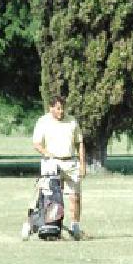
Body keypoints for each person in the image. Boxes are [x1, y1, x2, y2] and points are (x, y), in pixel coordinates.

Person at [31, 95, 87, 240]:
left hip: (70, 162)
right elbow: (37, 144)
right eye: (58, 109)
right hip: (51, 163)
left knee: (75, 196)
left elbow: (79, 143)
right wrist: (47, 154)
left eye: (63, 108)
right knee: (51, 197)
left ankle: (75, 226)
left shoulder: (72, 121)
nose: (61, 112)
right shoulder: (43, 122)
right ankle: (53, 227)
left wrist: (82, 164)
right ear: (51, 108)